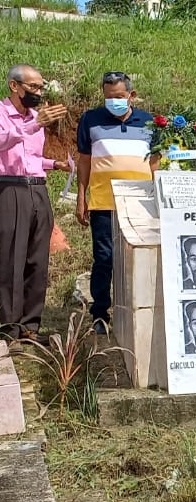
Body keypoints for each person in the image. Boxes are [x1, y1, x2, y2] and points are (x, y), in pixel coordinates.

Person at [77, 71, 156, 334]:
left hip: (141, 202)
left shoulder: (150, 123)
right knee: (104, 258)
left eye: (119, 97)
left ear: (131, 95)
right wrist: (81, 196)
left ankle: (137, 308)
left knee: (138, 256)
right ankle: (100, 313)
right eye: (109, 97)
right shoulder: (90, 119)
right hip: (103, 201)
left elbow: (155, 162)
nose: (114, 102)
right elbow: (85, 160)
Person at [0, 64, 69, 344]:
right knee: (10, 259)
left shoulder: (33, 116)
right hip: (10, 189)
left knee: (37, 259)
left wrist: (55, 164)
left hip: (37, 190)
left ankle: (30, 327)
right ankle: (8, 327)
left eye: (42, 87)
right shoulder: (4, 114)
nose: (39, 93)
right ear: (15, 86)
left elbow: (30, 157)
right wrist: (34, 124)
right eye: (33, 87)